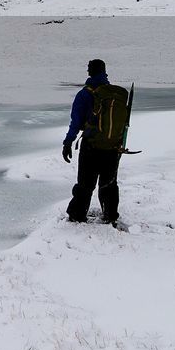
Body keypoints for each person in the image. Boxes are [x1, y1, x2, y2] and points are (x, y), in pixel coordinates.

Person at [62, 58, 124, 225]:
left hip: (91, 145)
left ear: (90, 72)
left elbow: (76, 122)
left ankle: (77, 215)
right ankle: (110, 214)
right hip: (112, 146)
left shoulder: (84, 94)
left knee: (85, 183)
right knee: (109, 183)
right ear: (104, 71)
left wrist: (68, 142)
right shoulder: (114, 95)